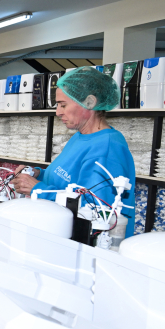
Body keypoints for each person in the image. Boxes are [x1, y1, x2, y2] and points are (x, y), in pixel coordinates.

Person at [11, 67, 137, 237]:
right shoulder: (80, 136)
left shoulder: (107, 148)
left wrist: (38, 189)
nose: (58, 112)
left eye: (63, 105)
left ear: (90, 102)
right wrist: (37, 174)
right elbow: (66, 179)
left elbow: (95, 209)